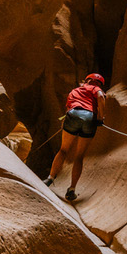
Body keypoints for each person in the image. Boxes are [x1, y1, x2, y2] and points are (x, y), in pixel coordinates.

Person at [44, 73, 107, 201]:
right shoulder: (96, 89)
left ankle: (50, 179)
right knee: (79, 156)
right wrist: (100, 118)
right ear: (98, 84)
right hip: (90, 118)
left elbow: (68, 108)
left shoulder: (76, 90)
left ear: (87, 80)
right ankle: (72, 189)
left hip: (73, 114)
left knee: (63, 150)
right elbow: (100, 97)